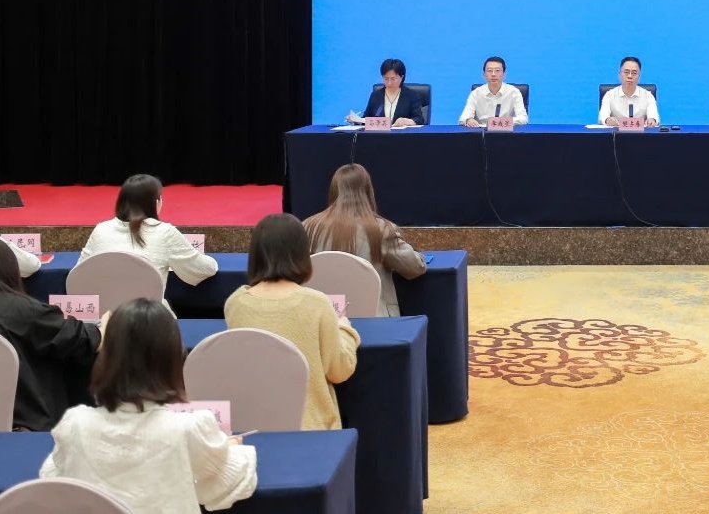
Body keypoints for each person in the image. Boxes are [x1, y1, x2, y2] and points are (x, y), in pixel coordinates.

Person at [40, 298, 257, 514]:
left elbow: (54, 477)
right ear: (173, 357)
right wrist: (230, 449)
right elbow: (222, 486)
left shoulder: (76, 424)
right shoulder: (190, 427)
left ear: (106, 357)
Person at [224, 213, 359, 430]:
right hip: (309, 428)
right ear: (302, 254)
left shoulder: (235, 303)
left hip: (252, 426)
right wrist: (344, 328)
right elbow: (339, 370)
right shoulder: (317, 303)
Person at [0, 238, 100, 431]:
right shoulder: (22, 310)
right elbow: (83, 339)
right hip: (29, 427)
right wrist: (105, 327)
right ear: (8, 269)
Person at [303, 164, 427, 316]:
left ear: (333, 190)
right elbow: (414, 267)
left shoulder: (307, 227)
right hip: (374, 320)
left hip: (325, 318)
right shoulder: (381, 229)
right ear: (368, 191)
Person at [78, 174, 218, 288]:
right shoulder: (164, 232)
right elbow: (202, 269)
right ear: (156, 202)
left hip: (105, 314)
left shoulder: (101, 229)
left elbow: (79, 274)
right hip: (148, 314)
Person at [346, 57, 424, 127]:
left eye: (393, 79)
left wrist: (407, 121)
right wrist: (357, 120)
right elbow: (366, 119)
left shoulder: (411, 95)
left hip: (402, 136)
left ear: (402, 77)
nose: (389, 83)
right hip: (379, 136)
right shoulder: (376, 95)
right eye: (386, 79)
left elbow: (419, 119)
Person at [459, 56, 528, 127]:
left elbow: (523, 118)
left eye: (497, 70)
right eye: (489, 71)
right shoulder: (476, 93)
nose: (493, 74)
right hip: (482, 132)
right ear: (484, 75)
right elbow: (463, 118)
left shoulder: (514, 92)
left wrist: (498, 123)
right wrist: (468, 120)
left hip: (506, 131)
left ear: (504, 74)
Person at [599, 56, 659, 127]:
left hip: (641, 134)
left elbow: (654, 116)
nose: (630, 76)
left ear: (639, 76)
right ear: (619, 74)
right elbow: (603, 117)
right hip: (616, 133)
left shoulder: (648, 96)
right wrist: (607, 120)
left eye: (634, 73)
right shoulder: (609, 95)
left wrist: (652, 120)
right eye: (626, 72)